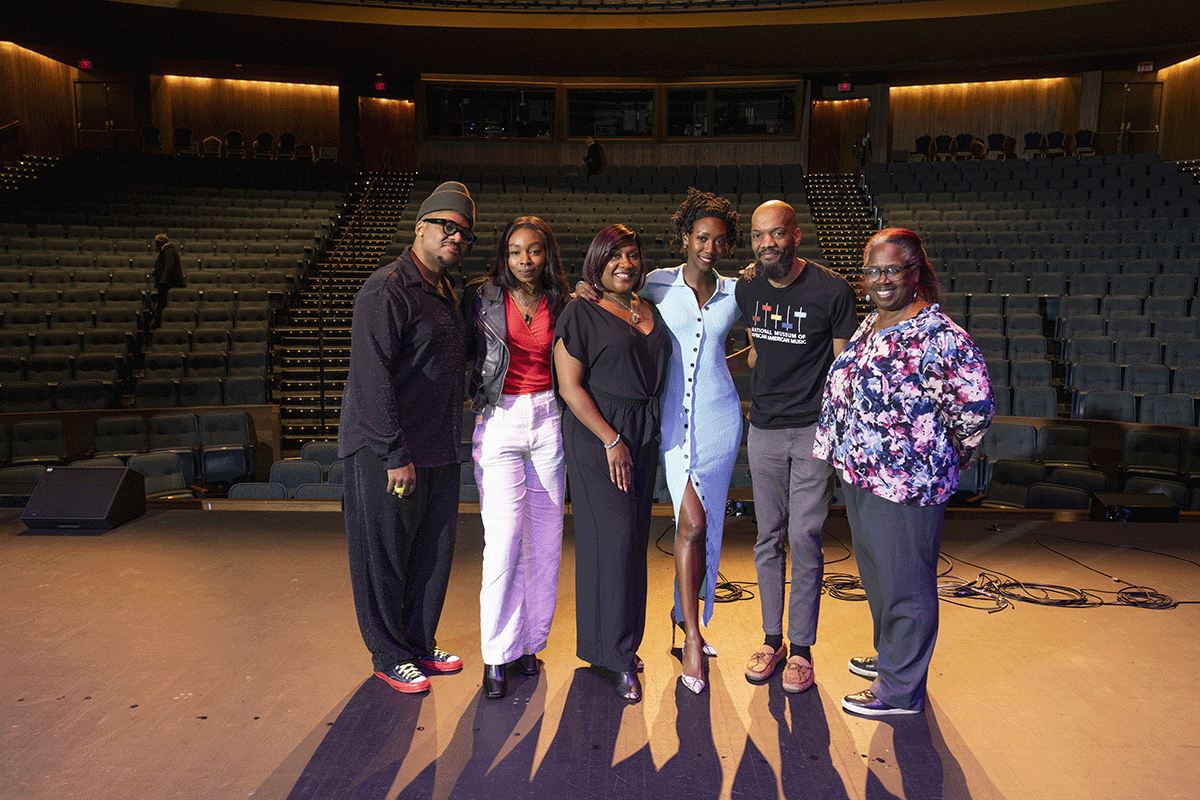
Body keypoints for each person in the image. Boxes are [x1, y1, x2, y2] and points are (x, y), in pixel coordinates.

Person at [814, 228, 994, 716]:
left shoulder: (939, 335)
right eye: (873, 270)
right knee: (878, 577)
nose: (882, 279)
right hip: (862, 472)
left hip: (908, 482)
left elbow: (974, 408)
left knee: (907, 586)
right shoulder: (872, 322)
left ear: (916, 273)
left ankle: (900, 692)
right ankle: (894, 660)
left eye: (893, 269)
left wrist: (948, 452)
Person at [338, 181, 475, 694]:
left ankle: (417, 642)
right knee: (386, 554)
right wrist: (394, 452)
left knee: (432, 554)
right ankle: (389, 654)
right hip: (388, 450)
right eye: (447, 227)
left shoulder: (444, 291)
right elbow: (371, 377)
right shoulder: (386, 288)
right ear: (420, 227)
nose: (456, 238)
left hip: (437, 445)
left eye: (464, 233)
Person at [735, 200, 858, 694]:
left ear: (796, 236)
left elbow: (841, 371)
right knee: (768, 537)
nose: (768, 244)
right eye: (759, 236)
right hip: (762, 427)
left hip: (811, 429)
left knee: (804, 539)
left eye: (777, 234)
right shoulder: (747, 286)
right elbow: (757, 349)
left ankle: (802, 650)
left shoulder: (832, 291)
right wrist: (712, 371)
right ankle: (772, 640)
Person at [554, 224, 670, 703]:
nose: (626, 262)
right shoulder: (580, 311)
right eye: (614, 255)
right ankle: (618, 657)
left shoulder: (648, 307)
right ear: (597, 262)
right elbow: (569, 386)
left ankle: (616, 645)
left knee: (632, 542)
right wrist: (610, 439)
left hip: (641, 433)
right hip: (600, 436)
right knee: (615, 540)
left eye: (632, 253)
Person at [463, 216, 572, 700]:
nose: (524, 260)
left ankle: (531, 643)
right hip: (501, 420)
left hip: (550, 421)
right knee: (504, 543)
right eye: (514, 251)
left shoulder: (563, 302)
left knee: (546, 544)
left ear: (546, 254)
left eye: (533, 250)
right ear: (503, 255)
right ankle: (496, 654)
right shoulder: (480, 297)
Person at [151, 233, 185, 328]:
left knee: (162, 305)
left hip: (168, 284)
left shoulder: (168, 251)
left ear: (159, 243)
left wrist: (162, 280)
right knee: (162, 304)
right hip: (167, 283)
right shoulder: (168, 250)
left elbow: (169, 266)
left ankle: (158, 325)